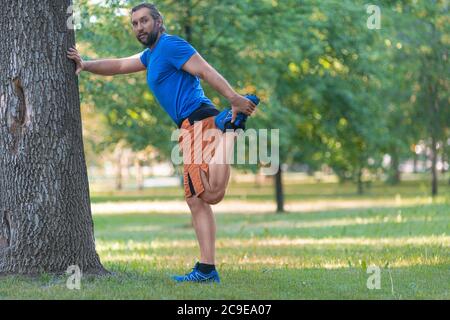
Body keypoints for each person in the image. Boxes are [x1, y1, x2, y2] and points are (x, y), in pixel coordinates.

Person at [67, 3, 259, 283]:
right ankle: (206, 269)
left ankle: (231, 125)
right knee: (197, 199)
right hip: (192, 125)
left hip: (198, 121)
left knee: (211, 194)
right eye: (134, 23)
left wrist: (233, 98)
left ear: (159, 22)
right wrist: (85, 65)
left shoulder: (171, 46)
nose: (139, 27)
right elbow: (120, 65)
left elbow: (205, 70)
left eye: (144, 21)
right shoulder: (151, 55)